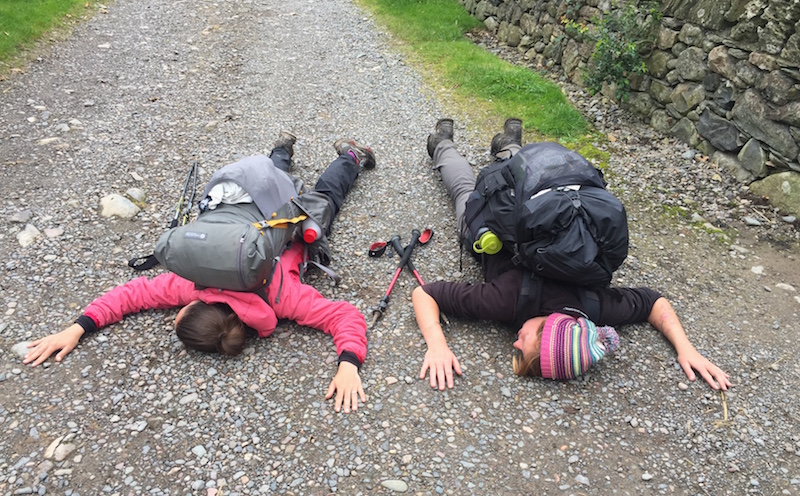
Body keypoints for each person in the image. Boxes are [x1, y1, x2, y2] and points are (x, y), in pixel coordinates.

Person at [23, 132, 376, 413]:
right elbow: (129, 296)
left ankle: (347, 157)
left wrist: (348, 362)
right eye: (181, 314)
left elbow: (342, 316)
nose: (176, 310)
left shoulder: (282, 299)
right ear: (198, 305)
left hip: (282, 220)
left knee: (325, 197)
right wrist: (77, 327)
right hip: (243, 200)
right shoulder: (193, 280)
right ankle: (282, 149)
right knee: (275, 180)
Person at [413, 117, 731, 391]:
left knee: (519, 178)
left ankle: (510, 145)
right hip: (497, 230)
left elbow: (652, 303)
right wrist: (436, 345)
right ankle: (442, 143)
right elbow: (424, 294)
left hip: (531, 206)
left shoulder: (593, 309)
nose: (514, 343)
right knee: (464, 189)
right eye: (524, 346)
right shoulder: (506, 300)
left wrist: (685, 348)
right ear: (549, 326)